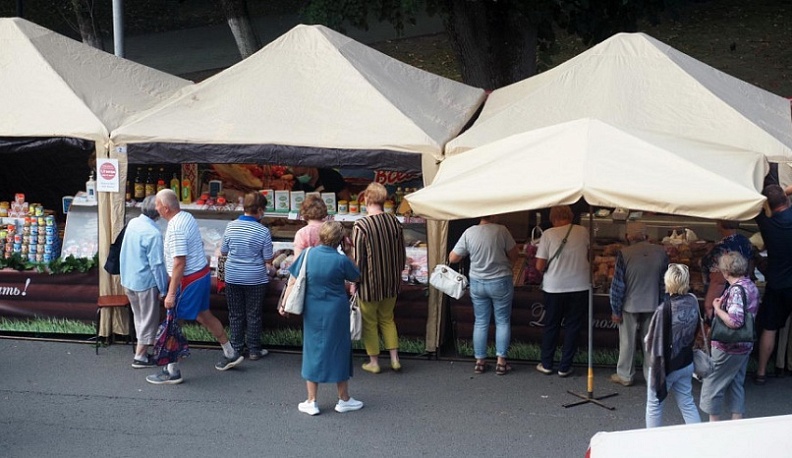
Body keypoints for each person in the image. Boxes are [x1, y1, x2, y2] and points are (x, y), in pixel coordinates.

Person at [146, 189, 243, 385]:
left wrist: (170, 294)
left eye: (157, 204)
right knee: (204, 315)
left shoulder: (175, 228)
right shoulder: (187, 217)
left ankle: (172, 371)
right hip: (201, 275)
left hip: (188, 281)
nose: (155, 208)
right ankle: (230, 352)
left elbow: (179, 262)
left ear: (166, 208)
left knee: (173, 323)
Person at [279, 222, 362, 416]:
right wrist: (349, 252)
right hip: (336, 310)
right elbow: (356, 276)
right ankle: (344, 398)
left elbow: (293, 279)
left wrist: (284, 303)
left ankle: (311, 400)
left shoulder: (308, 254)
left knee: (312, 350)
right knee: (340, 350)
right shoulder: (341, 260)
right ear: (340, 240)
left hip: (313, 309)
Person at [449, 215, 518, 375]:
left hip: (477, 282)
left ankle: (480, 362)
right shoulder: (502, 231)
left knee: (480, 322)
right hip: (500, 280)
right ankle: (501, 362)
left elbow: (453, 257)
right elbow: (514, 255)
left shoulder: (469, 232)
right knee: (502, 321)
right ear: (494, 214)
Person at [352, 182, 406, 374]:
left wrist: (354, 282)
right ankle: (395, 359)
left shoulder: (361, 225)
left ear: (366, 198)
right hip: (391, 281)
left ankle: (374, 362)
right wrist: (398, 273)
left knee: (370, 322)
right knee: (388, 319)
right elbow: (401, 253)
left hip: (369, 284)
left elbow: (358, 259)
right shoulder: (394, 222)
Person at [699, 252, 760, 421]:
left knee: (712, 384)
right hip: (745, 344)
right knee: (736, 383)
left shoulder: (736, 291)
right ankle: (737, 423)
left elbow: (735, 321)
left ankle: (714, 426)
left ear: (726, 272)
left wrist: (717, 309)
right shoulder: (750, 285)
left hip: (728, 346)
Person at [609, 222, 668, 386]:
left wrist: (616, 309)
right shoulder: (661, 252)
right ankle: (652, 376)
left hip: (630, 304)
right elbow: (664, 283)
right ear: (646, 236)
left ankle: (625, 375)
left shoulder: (624, 254)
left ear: (628, 237)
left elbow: (618, 285)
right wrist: (663, 305)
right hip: (653, 303)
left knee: (627, 342)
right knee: (650, 341)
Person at [644, 263, 701, 428]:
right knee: (687, 403)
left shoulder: (664, 309)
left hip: (667, 366)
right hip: (686, 361)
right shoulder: (693, 300)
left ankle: (653, 442)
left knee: (654, 405)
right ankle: (699, 437)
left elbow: (651, 341)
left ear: (668, 281)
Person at [535, 205, 589, 377]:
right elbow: (590, 254)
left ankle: (547, 364)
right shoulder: (583, 231)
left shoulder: (548, 234)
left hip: (554, 286)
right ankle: (565, 367)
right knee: (573, 326)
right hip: (579, 285)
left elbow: (540, 265)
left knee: (551, 325)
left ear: (553, 217)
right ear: (570, 215)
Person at [220, 192, 274, 361]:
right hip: (255, 279)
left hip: (233, 277)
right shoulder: (263, 231)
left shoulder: (230, 226)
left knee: (235, 314)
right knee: (253, 314)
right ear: (260, 210)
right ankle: (254, 350)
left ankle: (236, 348)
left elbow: (223, 251)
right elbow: (268, 259)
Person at [119, 195, 169, 368]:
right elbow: (157, 265)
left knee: (139, 317)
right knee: (148, 319)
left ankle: (143, 352)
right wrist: (163, 289)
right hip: (145, 282)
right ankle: (140, 356)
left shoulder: (133, 223)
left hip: (129, 279)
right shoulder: (153, 234)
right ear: (158, 212)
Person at [753, 184, 792, 384]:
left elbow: (755, 205)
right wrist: (785, 191)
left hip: (777, 284)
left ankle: (761, 372)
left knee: (770, 328)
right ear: (786, 200)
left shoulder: (766, 223)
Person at [700, 220, 754, 319]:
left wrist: (709, 306)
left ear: (720, 224)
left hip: (723, 300)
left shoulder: (721, 248)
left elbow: (718, 280)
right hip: (743, 294)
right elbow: (750, 266)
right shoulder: (744, 241)